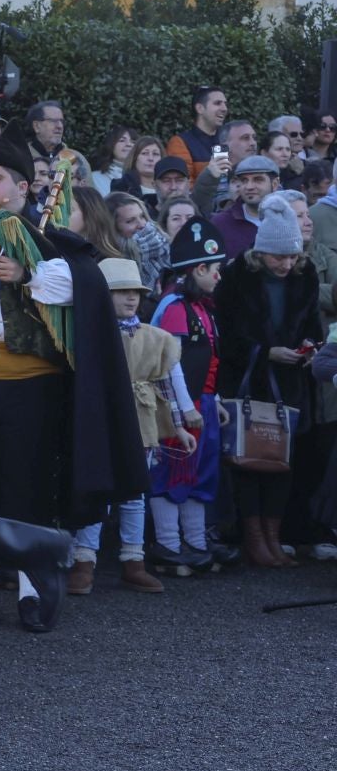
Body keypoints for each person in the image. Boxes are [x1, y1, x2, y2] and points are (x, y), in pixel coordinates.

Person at [0, 127, 138, 637]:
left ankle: (33, 594)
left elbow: (83, 285)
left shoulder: (48, 237)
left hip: (31, 385)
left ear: (24, 188)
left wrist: (25, 273)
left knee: (28, 488)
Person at [66, 259, 195, 595]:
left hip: (143, 421)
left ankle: (133, 560)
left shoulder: (156, 339)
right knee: (99, 490)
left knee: (135, 494)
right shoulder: (87, 335)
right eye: (120, 292)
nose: (130, 298)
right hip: (102, 419)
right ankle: (84, 560)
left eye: (134, 292)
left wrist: (179, 426)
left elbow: (164, 383)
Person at [214, 193, 320, 569]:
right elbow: (224, 334)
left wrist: (309, 345)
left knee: (280, 463)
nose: (286, 264)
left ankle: (272, 539)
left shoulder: (304, 275)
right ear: (261, 253)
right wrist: (263, 353)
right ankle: (254, 539)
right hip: (247, 380)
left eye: (292, 256)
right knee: (247, 461)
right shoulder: (234, 277)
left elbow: (312, 325)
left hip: (289, 380)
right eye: (278, 256)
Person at [148, 219, 227, 576]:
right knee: (173, 472)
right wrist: (181, 409)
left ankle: (195, 541)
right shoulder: (175, 306)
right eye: (215, 270)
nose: (219, 277)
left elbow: (208, 358)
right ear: (198, 268)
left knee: (200, 475)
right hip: (182, 405)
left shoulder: (203, 308)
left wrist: (215, 398)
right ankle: (168, 544)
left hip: (203, 402)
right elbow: (169, 364)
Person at [211, 155, 280, 260]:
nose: (249, 187)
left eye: (258, 180)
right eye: (244, 180)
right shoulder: (220, 224)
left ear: (274, 184)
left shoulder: (288, 219)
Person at [191, 120, 256, 215]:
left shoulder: (266, 171)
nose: (253, 143)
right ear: (225, 145)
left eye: (254, 138)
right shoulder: (212, 177)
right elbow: (201, 208)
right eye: (245, 138)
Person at [167, 85, 229, 183]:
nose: (224, 108)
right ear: (200, 108)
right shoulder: (180, 143)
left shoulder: (229, 139)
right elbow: (184, 186)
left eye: (225, 104)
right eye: (217, 103)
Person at [109, 135, 166, 207]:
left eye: (155, 154)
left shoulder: (170, 187)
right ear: (134, 158)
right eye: (145, 153)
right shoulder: (121, 187)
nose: (150, 158)